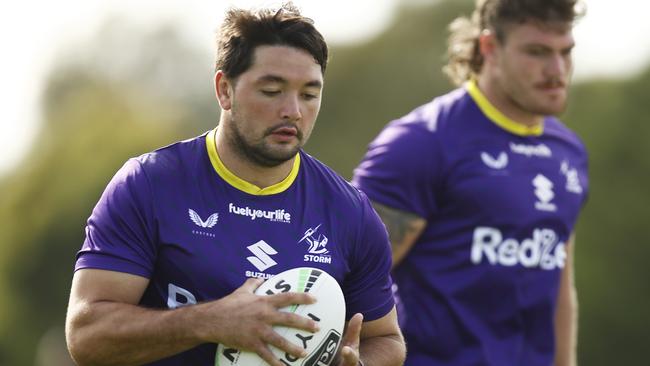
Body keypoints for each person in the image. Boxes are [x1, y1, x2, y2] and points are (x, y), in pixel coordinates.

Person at [65, 4, 405, 366]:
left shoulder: (349, 213)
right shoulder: (148, 185)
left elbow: (384, 337)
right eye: (272, 90)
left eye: (309, 94)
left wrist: (358, 362)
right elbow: (87, 336)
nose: (292, 110)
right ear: (224, 90)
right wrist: (209, 322)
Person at [352, 0, 588, 365]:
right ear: (490, 47)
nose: (557, 70)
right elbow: (349, 281)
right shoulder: (421, 144)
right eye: (537, 52)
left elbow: (559, 285)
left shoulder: (567, 152)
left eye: (566, 52)